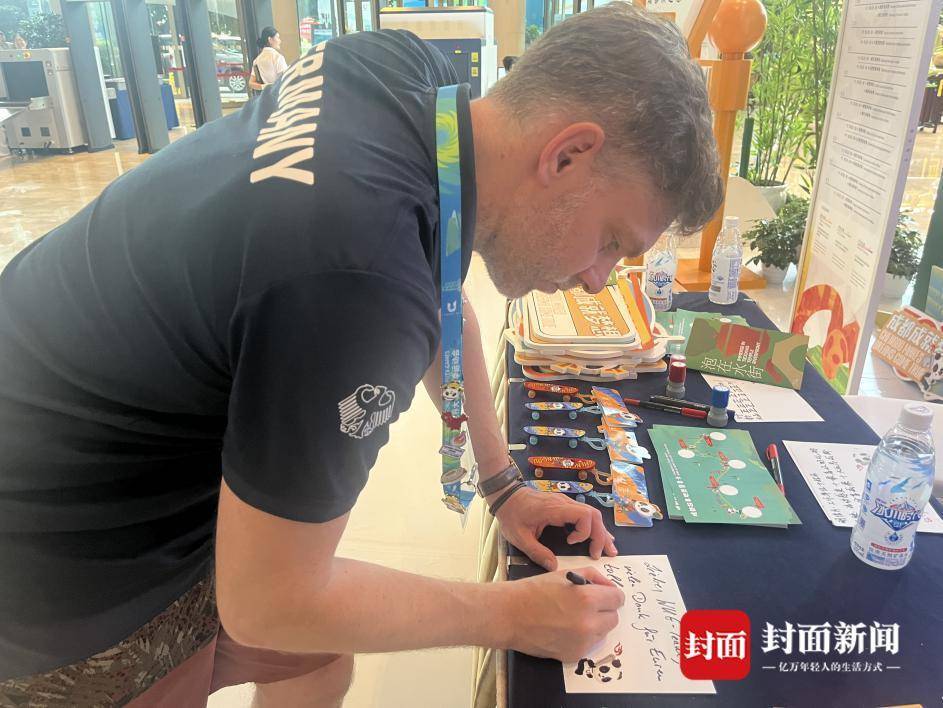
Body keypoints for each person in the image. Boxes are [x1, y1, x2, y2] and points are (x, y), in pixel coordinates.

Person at [0, 4, 722, 705]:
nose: (597, 277)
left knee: (316, 660)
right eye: (612, 241)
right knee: (288, 619)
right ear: (566, 155)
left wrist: (503, 485)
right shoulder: (356, 281)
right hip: (72, 554)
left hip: (71, 388)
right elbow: (270, 603)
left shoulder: (405, 73)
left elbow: (441, 290)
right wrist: (509, 615)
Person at [248, 26, 288, 92]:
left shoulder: (256, 60)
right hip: (278, 95)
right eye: (278, 37)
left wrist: (265, 86)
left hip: (265, 96)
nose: (280, 41)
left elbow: (251, 83)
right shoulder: (277, 57)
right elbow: (285, 80)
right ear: (270, 39)